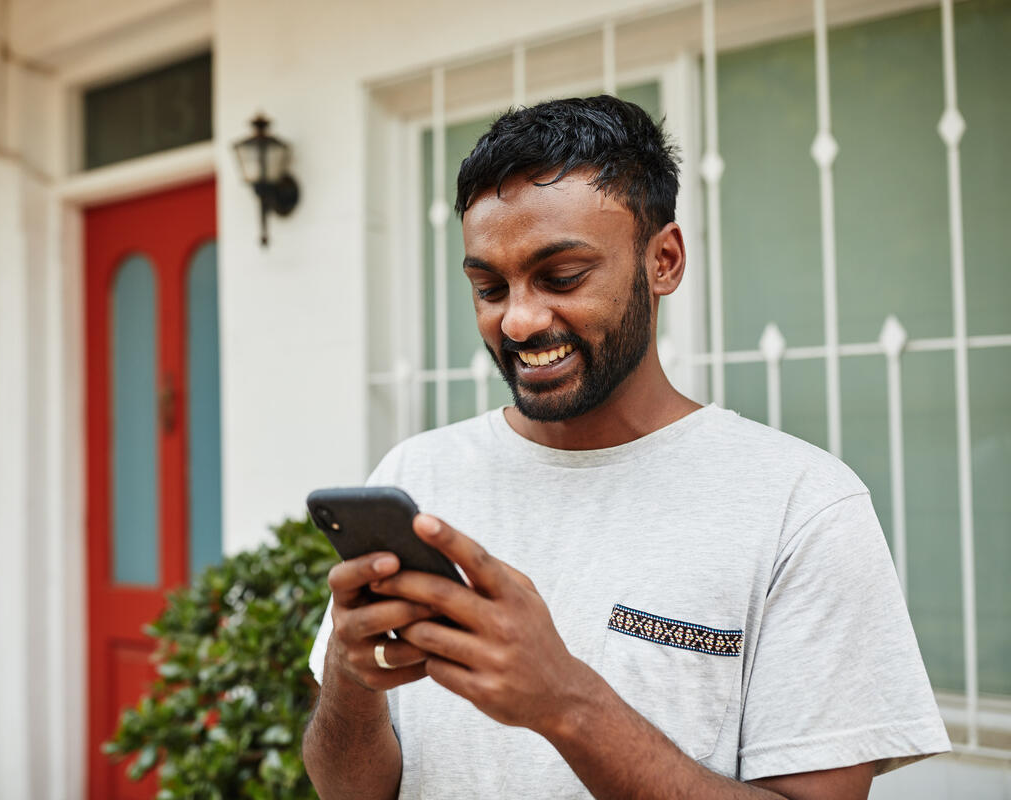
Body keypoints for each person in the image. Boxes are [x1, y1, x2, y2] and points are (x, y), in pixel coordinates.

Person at [302, 95, 949, 799]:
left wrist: (565, 703)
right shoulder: (416, 473)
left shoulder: (801, 506)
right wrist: (349, 673)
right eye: (489, 286)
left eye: (562, 277)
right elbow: (348, 789)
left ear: (663, 261)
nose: (517, 320)